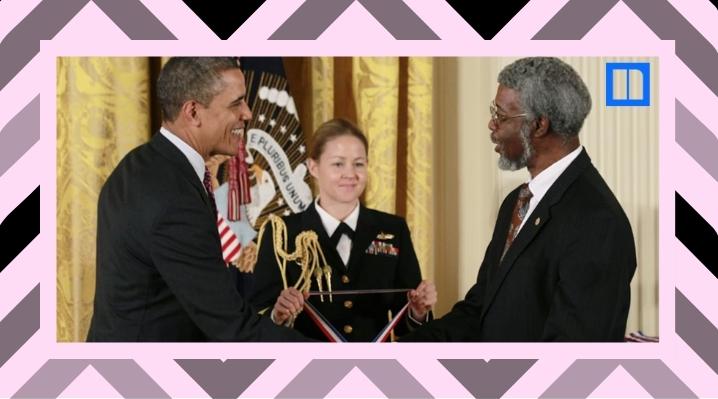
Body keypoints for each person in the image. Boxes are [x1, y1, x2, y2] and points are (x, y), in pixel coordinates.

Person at [402, 57, 637, 342]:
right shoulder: (518, 200)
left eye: (501, 115)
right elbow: (480, 309)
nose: (492, 124)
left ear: (538, 125)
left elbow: (573, 355)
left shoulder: (598, 223)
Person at [87, 57, 307, 342]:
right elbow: (232, 327)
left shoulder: (139, 165)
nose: (248, 113)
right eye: (236, 103)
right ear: (192, 112)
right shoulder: (172, 198)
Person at [247, 118, 437, 342]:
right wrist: (278, 315)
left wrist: (418, 312)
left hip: (374, 371)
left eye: (359, 164)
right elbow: (257, 319)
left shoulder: (393, 229)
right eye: (338, 164)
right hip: (305, 370)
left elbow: (410, 325)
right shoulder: (281, 233)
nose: (350, 174)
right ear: (314, 167)